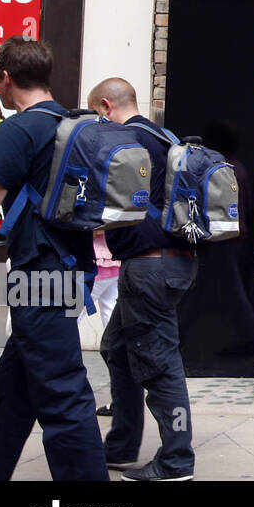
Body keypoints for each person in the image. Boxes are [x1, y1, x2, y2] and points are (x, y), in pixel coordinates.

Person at [0, 37, 108, 481]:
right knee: (17, 386)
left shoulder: (17, 130)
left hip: (38, 275)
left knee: (62, 394)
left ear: (6, 78)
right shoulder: (75, 124)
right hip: (73, 271)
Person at [88, 77, 199, 481]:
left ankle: (176, 461)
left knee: (160, 361)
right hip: (173, 261)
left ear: (105, 105)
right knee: (116, 347)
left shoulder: (126, 141)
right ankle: (120, 445)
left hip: (151, 266)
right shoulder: (164, 137)